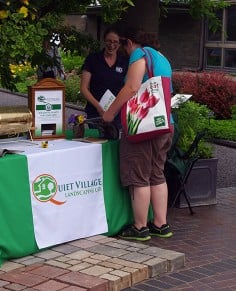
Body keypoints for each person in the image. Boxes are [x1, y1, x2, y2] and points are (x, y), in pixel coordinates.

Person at [102, 27, 173, 241]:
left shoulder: (140, 54)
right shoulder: (161, 57)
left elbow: (132, 86)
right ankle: (161, 224)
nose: (125, 51)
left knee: (139, 176)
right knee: (157, 173)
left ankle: (140, 227)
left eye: (124, 45)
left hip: (143, 127)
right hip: (164, 124)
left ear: (130, 42)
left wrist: (110, 112)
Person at [80, 26, 129, 129]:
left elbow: (129, 87)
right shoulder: (93, 59)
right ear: (104, 41)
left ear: (120, 43)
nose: (111, 45)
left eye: (115, 42)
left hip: (117, 114)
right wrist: (99, 107)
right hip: (95, 113)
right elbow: (84, 88)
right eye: (109, 41)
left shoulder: (125, 62)